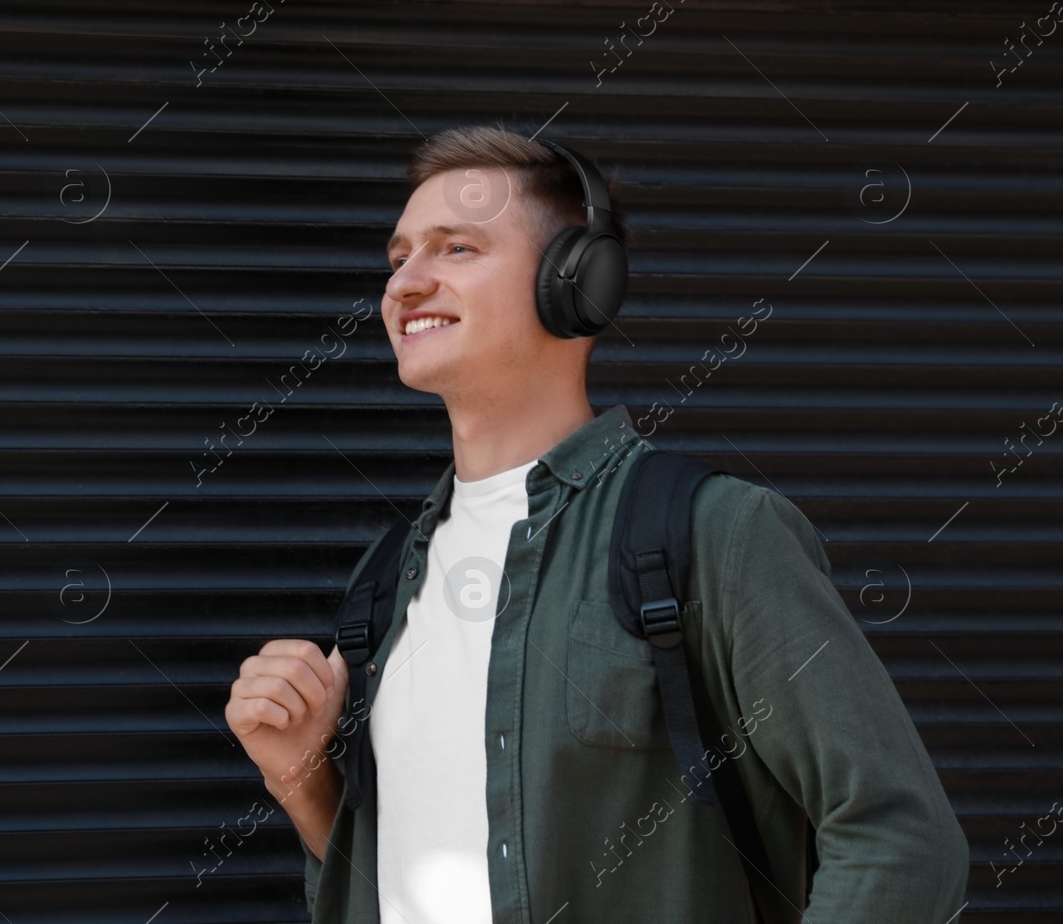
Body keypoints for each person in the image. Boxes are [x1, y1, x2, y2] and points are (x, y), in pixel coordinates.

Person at [224, 125, 969, 923]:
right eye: (398, 256)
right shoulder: (385, 577)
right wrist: (302, 778)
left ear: (576, 283)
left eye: (456, 249)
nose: (406, 282)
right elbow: (399, 877)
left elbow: (903, 839)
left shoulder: (712, 534)